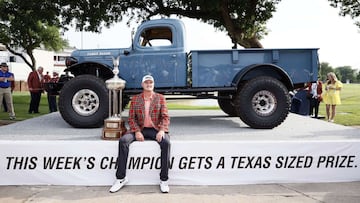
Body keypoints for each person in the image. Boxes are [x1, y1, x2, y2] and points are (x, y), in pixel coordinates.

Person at [110, 75, 171, 193]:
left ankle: (164, 180)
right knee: (123, 141)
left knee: (166, 142)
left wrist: (162, 130)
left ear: (153, 84)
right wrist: (137, 131)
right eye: (146, 82)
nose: (149, 84)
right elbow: (131, 118)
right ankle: (121, 178)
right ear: (142, 85)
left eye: (151, 82)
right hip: (140, 128)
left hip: (155, 129)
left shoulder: (160, 98)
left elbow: (165, 117)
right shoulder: (136, 99)